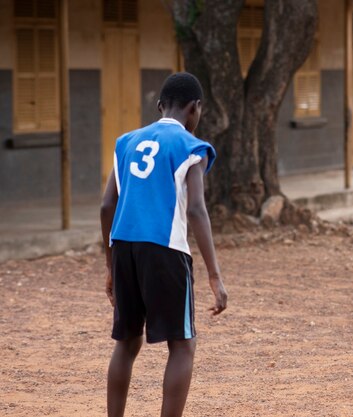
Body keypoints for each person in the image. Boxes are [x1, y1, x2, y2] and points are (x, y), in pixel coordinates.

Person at [100, 72, 228, 417]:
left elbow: (106, 206)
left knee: (126, 343)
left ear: (159, 107)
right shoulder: (191, 145)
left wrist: (111, 265)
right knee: (183, 345)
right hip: (166, 251)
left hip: (124, 246)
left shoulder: (125, 142)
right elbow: (197, 209)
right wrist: (214, 275)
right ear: (195, 108)